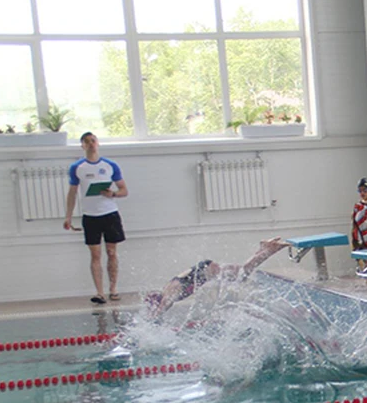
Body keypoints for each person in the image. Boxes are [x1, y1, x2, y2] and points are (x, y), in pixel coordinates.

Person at [144, 237, 290, 317]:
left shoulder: (169, 294)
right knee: (242, 273)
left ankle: (269, 249)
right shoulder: (168, 290)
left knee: (242, 274)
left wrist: (150, 321)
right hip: (205, 269)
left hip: (206, 270)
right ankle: (264, 248)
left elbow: (160, 310)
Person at [64, 132, 129, 305]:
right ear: (82, 146)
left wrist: (112, 194)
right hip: (90, 216)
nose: (91, 144)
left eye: (93, 140)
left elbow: (124, 190)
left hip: (110, 214)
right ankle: (99, 292)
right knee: (95, 254)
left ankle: (113, 289)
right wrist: (68, 216)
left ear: (98, 143)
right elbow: (72, 193)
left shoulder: (110, 165)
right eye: (87, 142)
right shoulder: (77, 167)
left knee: (111, 252)